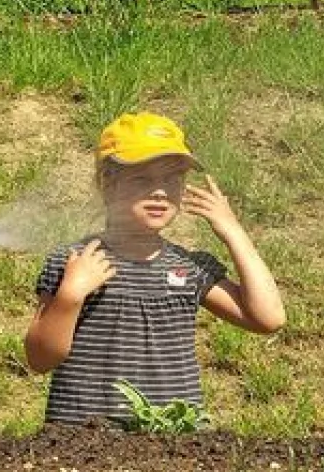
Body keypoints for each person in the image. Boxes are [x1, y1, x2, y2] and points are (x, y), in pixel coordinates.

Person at [23, 112, 286, 426]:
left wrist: (233, 231)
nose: (160, 191)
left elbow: (268, 318)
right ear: (107, 184)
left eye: (172, 179)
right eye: (142, 179)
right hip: (83, 445)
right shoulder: (76, 261)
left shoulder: (190, 268)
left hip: (173, 447)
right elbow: (39, 360)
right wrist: (70, 296)